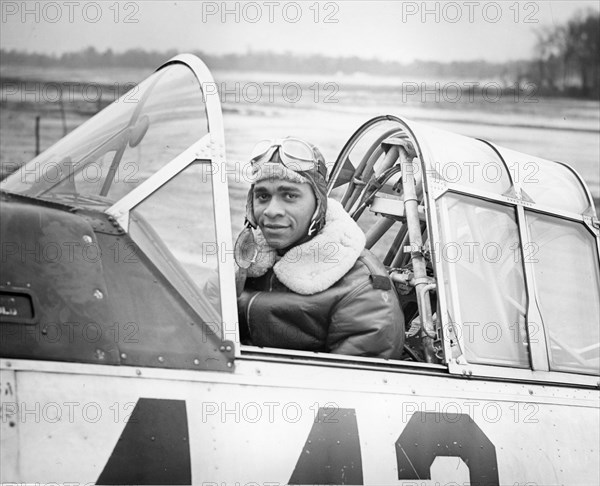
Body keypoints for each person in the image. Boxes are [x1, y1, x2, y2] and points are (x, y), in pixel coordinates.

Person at [235, 137, 405, 359]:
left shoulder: (363, 291)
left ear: (319, 204)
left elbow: (353, 386)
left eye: (289, 195)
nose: (271, 210)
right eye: (263, 196)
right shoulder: (246, 261)